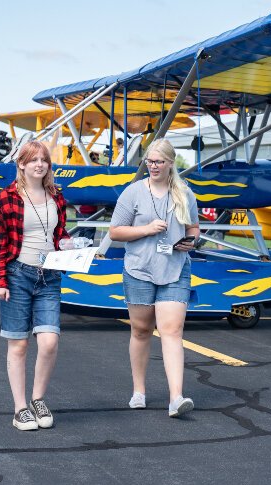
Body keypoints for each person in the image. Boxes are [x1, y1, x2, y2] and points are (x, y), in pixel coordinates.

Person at [109, 138, 199, 418]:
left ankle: (176, 397)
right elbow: (115, 232)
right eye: (149, 161)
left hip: (174, 269)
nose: (153, 166)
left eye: (159, 161)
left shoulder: (185, 194)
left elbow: (194, 227)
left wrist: (191, 242)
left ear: (171, 163)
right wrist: (146, 229)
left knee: (172, 331)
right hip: (139, 269)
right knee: (141, 330)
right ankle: (139, 391)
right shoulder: (133, 193)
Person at [0, 140, 70, 431]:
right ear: (21, 164)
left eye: (44, 160)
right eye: (33, 160)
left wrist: (70, 245)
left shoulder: (56, 196)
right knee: (19, 343)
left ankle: (38, 399)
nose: (39, 164)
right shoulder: (7, 198)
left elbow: (59, 233)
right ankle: (19, 408)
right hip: (17, 274)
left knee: (49, 342)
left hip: (49, 275)